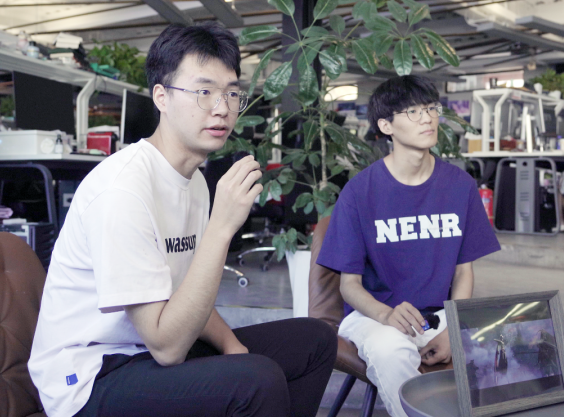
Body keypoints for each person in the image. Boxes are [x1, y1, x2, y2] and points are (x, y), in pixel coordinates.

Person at [28, 23, 337, 417]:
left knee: (313, 340)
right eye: (204, 92)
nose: (222, 108)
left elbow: (186, 294)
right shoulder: (123, 191)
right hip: (93, 374)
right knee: (256, 381)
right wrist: (222, 227)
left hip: (149, 351)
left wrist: (231, 346)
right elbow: (168, 348)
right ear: (162, 97)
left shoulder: (195, 183)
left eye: (231, 93)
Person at [316, 76, 501, 417]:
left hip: (437, 317)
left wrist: (455, 330)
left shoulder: (459, 186)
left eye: (431, 108)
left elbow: (463, 273)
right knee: (391, 350)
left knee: (502, 348)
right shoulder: (359, 193)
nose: (427, 118)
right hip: (373, 315)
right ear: (386, 126)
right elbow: (349, 286)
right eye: (413, 112)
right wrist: (386, 315)